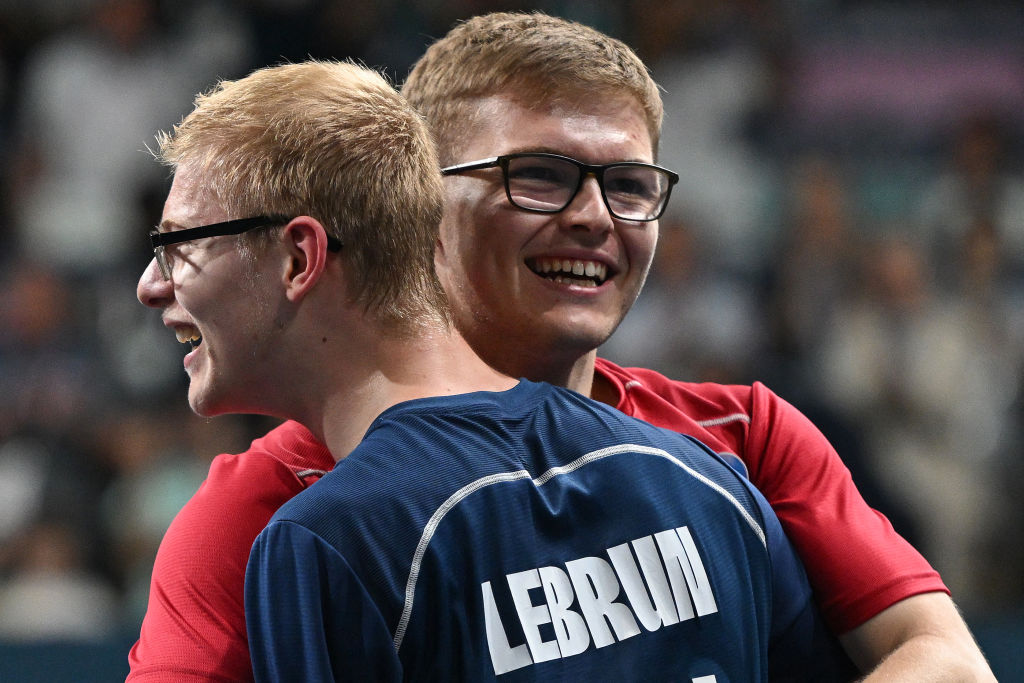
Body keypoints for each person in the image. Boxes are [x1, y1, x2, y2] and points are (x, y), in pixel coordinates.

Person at [127, 12, 994, 682]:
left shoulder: (737, 438)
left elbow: (949, 657)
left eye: (629, 185)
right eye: (537, 174)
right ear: (417, 201)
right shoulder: (262, 517)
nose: (593, 215)